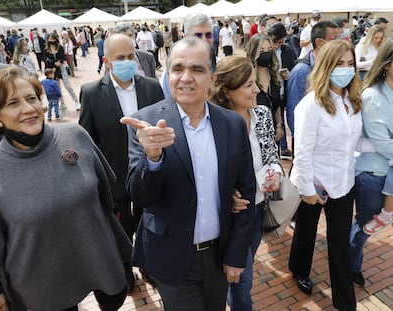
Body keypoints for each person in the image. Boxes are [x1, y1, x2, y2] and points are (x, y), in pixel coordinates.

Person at [0, 66, 132, 310]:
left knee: (114, 299)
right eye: (13, 103)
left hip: (97, 261)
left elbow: (107, 196)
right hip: (40, 284)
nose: (28, 109)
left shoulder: (75, 135)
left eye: (31, 98)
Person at [121, 36, 257, 311]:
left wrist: (237, 253)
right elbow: (140, 196)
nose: (186, 78)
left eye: (197, 70)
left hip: (219, 255)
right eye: (178, 69)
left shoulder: (231, 124)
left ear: (212, 77)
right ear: (167, 73)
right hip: (172, 257)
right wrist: (152, 158)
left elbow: (247, 193)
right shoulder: (146, 122)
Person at [78, 33, 164, 292]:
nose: (128, 62)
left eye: (131, 56)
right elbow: (87, 139)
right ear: (106, 61)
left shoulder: (151, 86)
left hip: (148, 172)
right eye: (120, 58)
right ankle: (126, 269)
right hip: (114, 179)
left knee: (148, 223)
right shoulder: (91, 93)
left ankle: (149, 266)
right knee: (122, 228)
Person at [289, 40, 362, 311]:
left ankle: (345, 304)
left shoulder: (351, 101)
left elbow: (353, 142)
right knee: (306, 232)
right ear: (326, 66)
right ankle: (299, 269)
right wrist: (307, 190)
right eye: (339, 64)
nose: (345, 69)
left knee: (339, 243)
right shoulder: (312, 105)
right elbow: (303, 151)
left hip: (344, 183)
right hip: (315, 183)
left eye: (350, 63)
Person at [209, 56, 281, 311]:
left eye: (255, 83)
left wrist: (275, 174)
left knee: (239, 276)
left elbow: (272, 154)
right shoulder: (214, 124)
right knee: (243, 279)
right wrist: (226, 196)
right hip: (233, 217)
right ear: (227, 91)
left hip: (258, 210)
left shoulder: (261, 114)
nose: (257, 90)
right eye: (249, 85)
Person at [350, 38, 393, 287]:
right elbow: (381, 142)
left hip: (386, 169)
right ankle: (350, 265)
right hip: (372, 172)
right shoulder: (373, 96)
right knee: (364, 224)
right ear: (387, 64)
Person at [286, 21, 339, 140]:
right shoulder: (301, 71)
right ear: (320, 42)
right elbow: (294, 110)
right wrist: (302, 139)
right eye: (334, 39)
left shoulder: (336, 67)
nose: (338, 44)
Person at [160, 12, 216, 99]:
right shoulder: (173, 69)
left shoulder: (223, 65)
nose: (204, 39)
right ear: (186, 37)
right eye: (198, 35)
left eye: (208, 35)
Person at [267, 21, 297, 159]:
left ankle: (285, 147)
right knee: (275, 122)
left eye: (280, 42)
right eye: (276, 42)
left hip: (285, 91)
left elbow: (293, 67)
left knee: (285, 119)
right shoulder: (266, 51)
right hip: (271, 93)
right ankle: (279, 148)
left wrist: (288, 74)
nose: (277, 44)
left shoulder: (287, 50)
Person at [246, 33, 284, 143]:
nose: (266, 54)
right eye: (262, 51)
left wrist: (279, 125)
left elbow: (276, 104)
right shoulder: (247, 77)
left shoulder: (275, 76)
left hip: (272, 135)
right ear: (254, 52)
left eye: (269, 50)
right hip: (252, 134)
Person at [44, 32, 80, 111]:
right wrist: (53, 64)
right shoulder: (46, 50)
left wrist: (59, 62)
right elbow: (45, 60)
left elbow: (63, 57)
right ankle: (62, 103)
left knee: (68, 86)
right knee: (58, 88)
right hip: (52, 70)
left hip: (62, 68)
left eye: (53, 39)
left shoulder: (59, 47)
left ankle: (76, 102)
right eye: (50, 39)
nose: (52, 40)